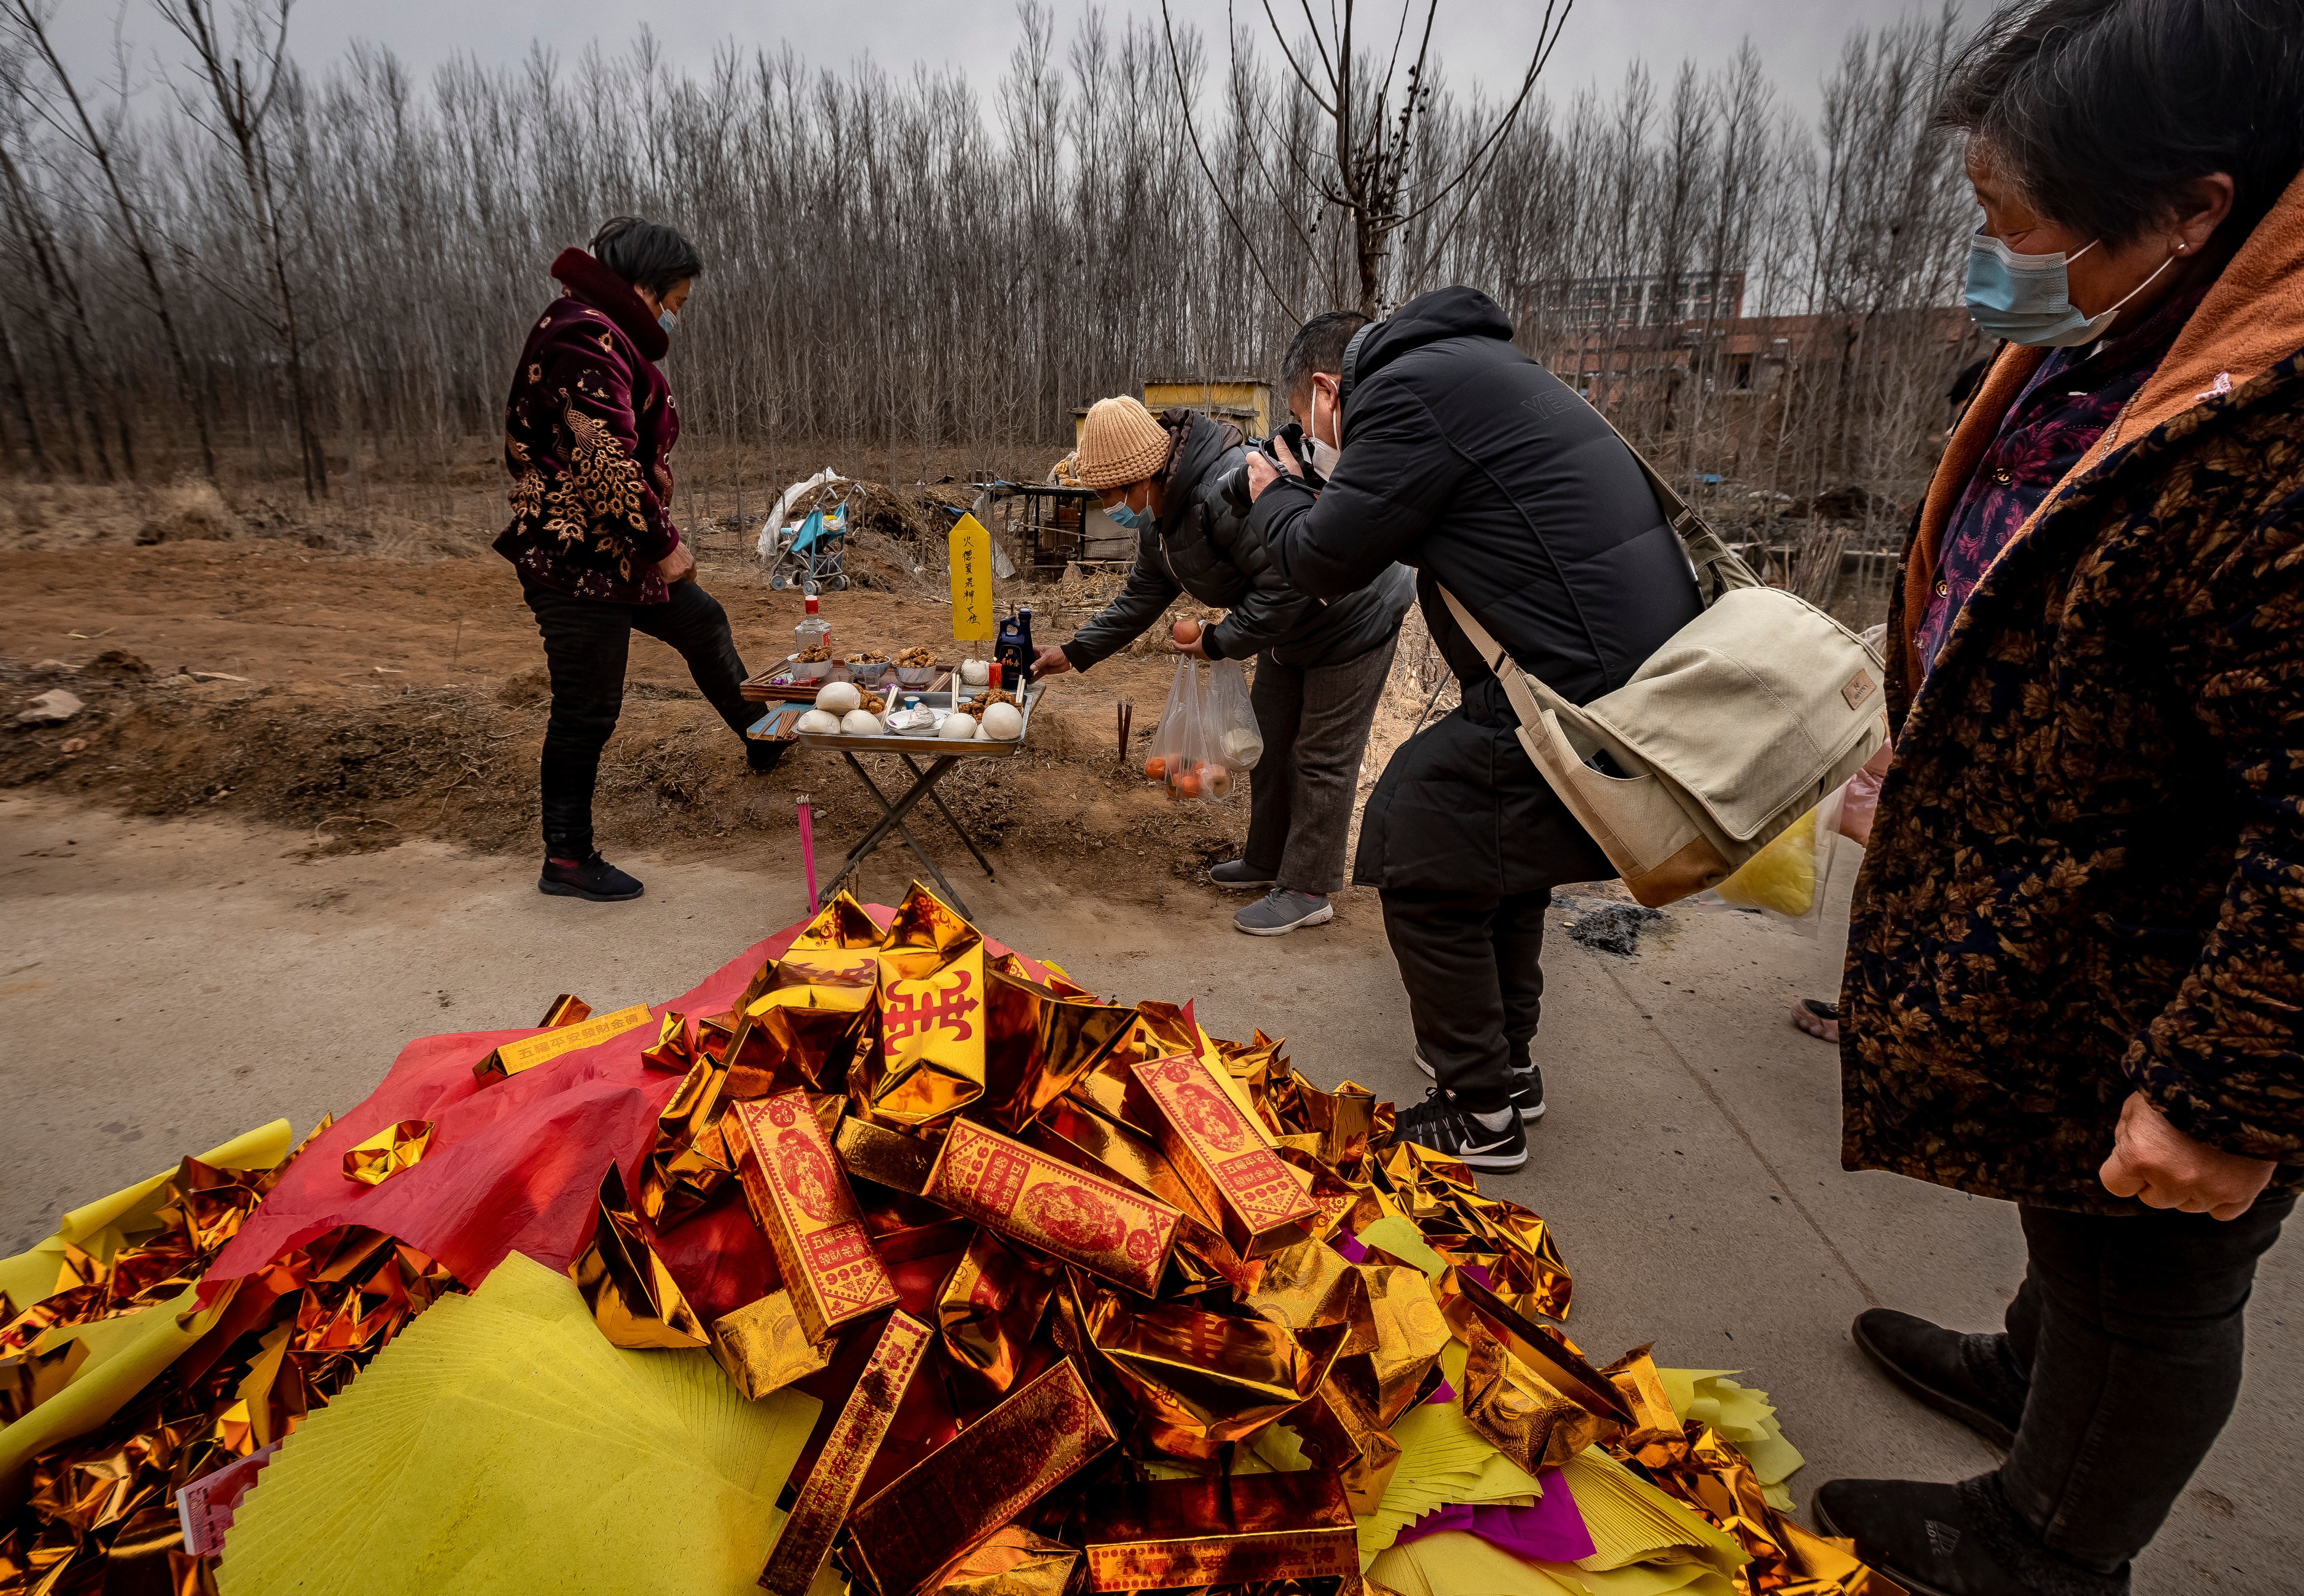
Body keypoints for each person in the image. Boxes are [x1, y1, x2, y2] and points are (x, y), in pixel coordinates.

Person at [1814, 2, 2304, 1592]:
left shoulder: (2275, 437)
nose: (1989, 262)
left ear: (2190, 212)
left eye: (2010, 226)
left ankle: (2041, 1540)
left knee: (2153, 1270)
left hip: (2187, 968)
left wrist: (2229, 1089)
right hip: (2076, 923)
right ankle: (2035, 1375)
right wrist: (1935, 750)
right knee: (2076, 1221)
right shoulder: (2127, 343)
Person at [1245, 292, 1703, 1170]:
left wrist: (1274, 492)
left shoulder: (1405, 393)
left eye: (1307, 426)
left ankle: (1477, 1109)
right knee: (1497, 854)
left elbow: (1322, 559)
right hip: (1615, 675)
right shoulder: (1475, 371)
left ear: (1324, 390)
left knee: (1413, 834)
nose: (1314, 442)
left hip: (1572, 690)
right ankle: (1507, 1067)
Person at [1033, 395, 1412, 935]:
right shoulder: (1159, 521)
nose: (1105, 502)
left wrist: (1219, 640)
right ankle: (1267, 861)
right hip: (1290, 625)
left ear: (1140, 474)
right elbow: (1139, 599)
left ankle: (1308, 887)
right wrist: (1071, 653)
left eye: (1107, 491)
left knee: (1320, 755)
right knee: (1268, 737)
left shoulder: (1225, 492)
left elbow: (1289, 581)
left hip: (1353, 609)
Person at [495, 217, 782, 903]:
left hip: (613, 552)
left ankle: (761, 737)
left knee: (701, 621)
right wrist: (663, 541)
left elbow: (619, 448)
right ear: (644, 285)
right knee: (587, 708)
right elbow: (599, 459)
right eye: (674, 302)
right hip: (574, 556)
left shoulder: (601, 329)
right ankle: (566, 857)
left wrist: (654, 473)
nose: (674, 317)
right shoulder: (579, 333)